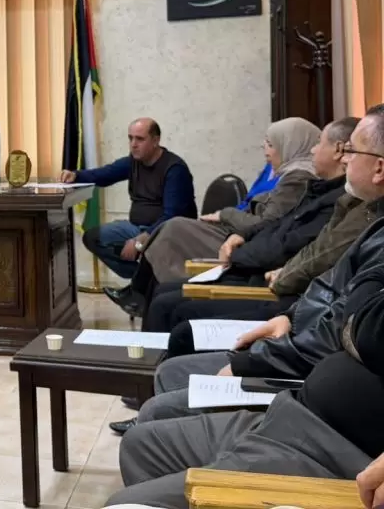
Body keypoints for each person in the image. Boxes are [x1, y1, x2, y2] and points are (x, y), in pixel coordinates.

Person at [109, 117, 369, 435]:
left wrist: (254, 263)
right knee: (167, 293)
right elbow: (288, 238)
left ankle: (160, 412)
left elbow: (305, 257)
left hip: (281, 300)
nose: (317, 150)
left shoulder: (349, 206)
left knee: (176, 310)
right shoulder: (336, 197)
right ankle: (150, 396)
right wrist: (250, 249)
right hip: (282, 298)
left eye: (351, 151)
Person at [104, 258, 384, 509]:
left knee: (124, 503)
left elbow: (362, 327)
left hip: (332, 449)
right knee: (140, 444)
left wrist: (250, 362)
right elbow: (356, 296)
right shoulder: (371, 226)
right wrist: (293, 316)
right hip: (292, 410)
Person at [107, 117, 322, 314]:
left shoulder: (297, 178)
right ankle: (141, 295)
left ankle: (139, 293)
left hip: (243, 241)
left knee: (173, 228)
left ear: (290, 145)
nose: (264, 148)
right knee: (169, 232)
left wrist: (225, 214)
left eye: (271, 144)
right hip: (239, 233)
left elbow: (267, 223)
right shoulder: (279, 171)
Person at [60, 118, 197, 280]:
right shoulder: (133, 162)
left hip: (167, 234)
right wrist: (76, 175)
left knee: (151, 245)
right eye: (130, 138)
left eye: (140, 139)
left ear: (155, 140)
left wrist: (140, 240)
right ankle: (143, 283)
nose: (133, 144)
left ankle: (145, 285)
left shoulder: (174, 169)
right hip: (136, 228)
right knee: (93, 238)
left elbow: (171, 217)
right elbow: (105, 174)